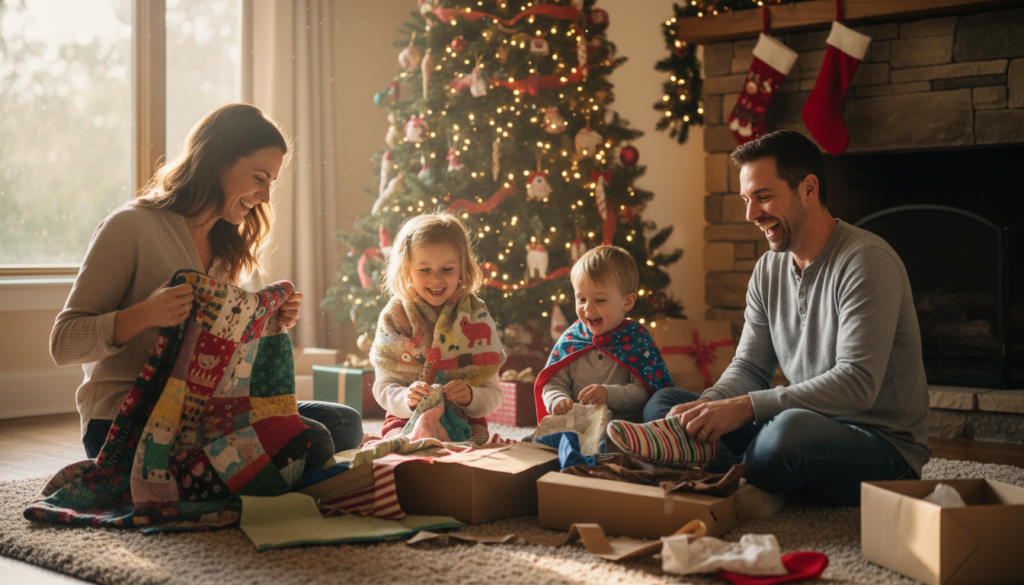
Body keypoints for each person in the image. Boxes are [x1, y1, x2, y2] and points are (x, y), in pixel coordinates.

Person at [50, 103, 362, 467]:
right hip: (124, 420)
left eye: (270, 183)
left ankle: (227, 475)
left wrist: (267, 323)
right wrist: (146, 314)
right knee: (314, 442)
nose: (265, 196)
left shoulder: (227, 247)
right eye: (259, 178)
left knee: (344, 423)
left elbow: (220, 356)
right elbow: (63, 343)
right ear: (217, 161)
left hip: (204, 413)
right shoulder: (129, 227)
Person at [636, 129, 930, 506]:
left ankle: (720, 471)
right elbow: (750, 366)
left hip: (882, 449)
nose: (751, 214)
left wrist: (744, 408)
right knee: (664, 405)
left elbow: (857, 383)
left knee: (788, 433)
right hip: (800, 424)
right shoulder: (768, 269)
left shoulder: (867, 262)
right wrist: (710, 409)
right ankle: (743, 475)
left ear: (808, 189)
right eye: (746, 200)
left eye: (763, 197)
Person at [369, 212, 506, 440]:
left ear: (462, 268)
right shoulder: (395, 316)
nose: (436, 279)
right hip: (406, 418)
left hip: (466, 419)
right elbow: (384, 387)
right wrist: (405, 398)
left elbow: (493, 392)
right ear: (407, 269)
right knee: (399, 447)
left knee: (475, 452)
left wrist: (472, 396)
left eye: (447, 269)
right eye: (424, 270)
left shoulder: (476, 314)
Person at [534, 246, 673, 426]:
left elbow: (644, 392)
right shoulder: (571, 339)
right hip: (579, 426)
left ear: (627, 302)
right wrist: (557, 399)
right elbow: (553, 383)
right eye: (581, 299)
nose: (587, 308)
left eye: (599, 300)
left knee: (610, 440)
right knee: (531, 439)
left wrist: (608, 394)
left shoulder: (637, 340)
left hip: (624, 428)